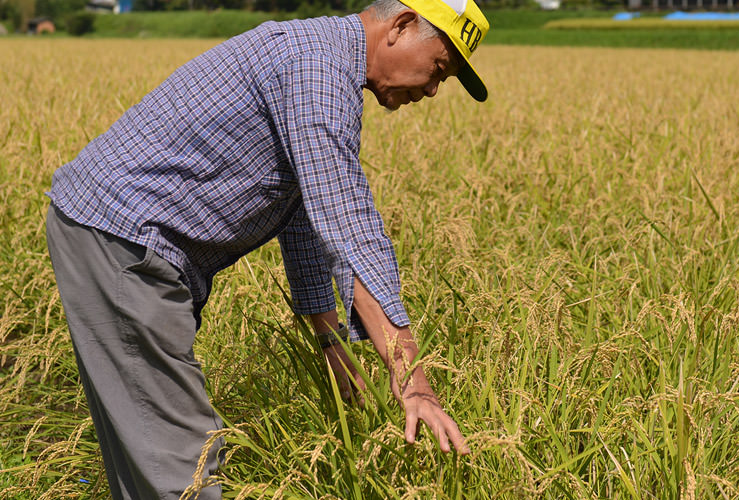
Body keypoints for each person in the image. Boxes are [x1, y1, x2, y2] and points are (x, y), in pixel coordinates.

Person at [44, 0, 489, 498]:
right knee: (183, 461)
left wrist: (331, 341)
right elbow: (348, 226)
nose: (431, 89)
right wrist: (412, 380)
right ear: (401, 26)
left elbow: (304, 220)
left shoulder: (323, 61)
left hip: (120, 240)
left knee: (150, 451)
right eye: (438, 69)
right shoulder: (317, 68)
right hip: (122, 243)